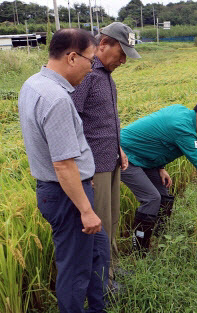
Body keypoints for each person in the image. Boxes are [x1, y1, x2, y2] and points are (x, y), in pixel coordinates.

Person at [18, 28, 109, 313]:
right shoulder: (56, 98)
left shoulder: (33, 83)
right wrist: (85, 208)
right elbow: (63, 164)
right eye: (90, 60)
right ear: (72, 57)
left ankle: (98, 307)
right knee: (76, 269)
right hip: (66, 195)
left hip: (64, 190)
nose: (92, 67)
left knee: (98, 252)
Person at [120, 101, 197, 253]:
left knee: (163, 197)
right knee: (152, 198)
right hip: (125, 156)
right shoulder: (183, 129)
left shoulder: (181, 111)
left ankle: (160, 239)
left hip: (144, 158)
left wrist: (160, 167)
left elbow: (157, 138)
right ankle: (139, 251)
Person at [71, 22, 139, 282]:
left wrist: (118, 148)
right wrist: (81, 167)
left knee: (111, 219)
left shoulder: (106, 78)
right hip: (93, 166)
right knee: (98, 223)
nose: (123, 61)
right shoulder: (86, 75)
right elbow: (73, 122)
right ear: (103, 44)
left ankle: (108, 269)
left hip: (110, 160)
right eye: (121, 54)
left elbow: (103, 121)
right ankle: (101, 281)